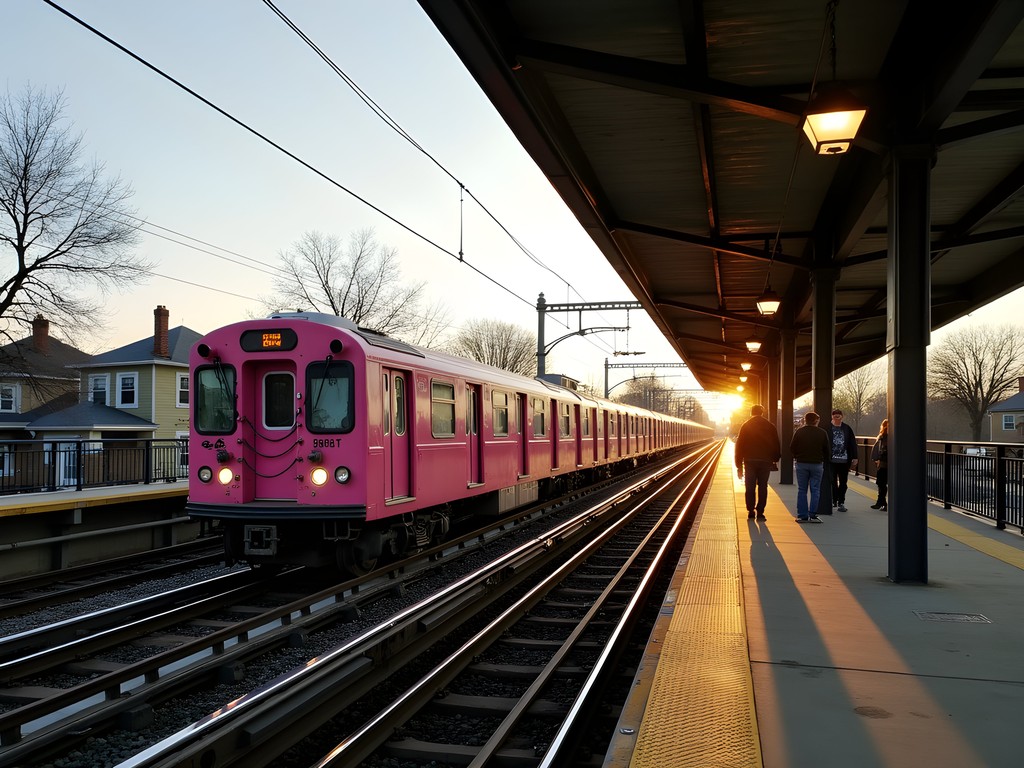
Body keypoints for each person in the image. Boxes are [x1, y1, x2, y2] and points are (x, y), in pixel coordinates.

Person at [734, 404, 781, 520]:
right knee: (763, 486)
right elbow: (776, 444)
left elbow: (739, 446)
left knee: (749, 486)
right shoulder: (770, 426)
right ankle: (760, 512)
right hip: (765, 461)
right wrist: (775, 459)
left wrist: (739, 465)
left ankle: (750, 510)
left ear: (751, 413)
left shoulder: (746, 425)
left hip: (750, 461)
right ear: (762, 413)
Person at [790, 411, 831, 523]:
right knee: (815, 490)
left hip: (802, 463)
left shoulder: (799, 432)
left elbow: (792, 447)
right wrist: (824, 460)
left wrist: (797, 456)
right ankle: (813, 514)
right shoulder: (822, 433)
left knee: (802, 489)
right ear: (816, 421)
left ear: (805, 420)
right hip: (817, 464)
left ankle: (802, 515)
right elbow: (827, 450)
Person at [827, 408, 859, 512]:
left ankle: (841, 501)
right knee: (832, 481)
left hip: (844, 460)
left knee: (843, 482)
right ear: (832, 417)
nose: (837, 418)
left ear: (842, 417)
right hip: (831, 460)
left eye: (839, 416)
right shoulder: (828, 428)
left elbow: (852, 443)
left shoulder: (847, 428)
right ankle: (834, 500)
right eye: (835, 416)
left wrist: (855, 457)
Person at [870, 418, 889, 510]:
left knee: (881, 483)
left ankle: (881, 502)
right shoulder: (882, 437)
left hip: (884, 463)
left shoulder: (882, 437)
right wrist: (876, 459)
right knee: (881, 483)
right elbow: (877, 449)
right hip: (883, 463)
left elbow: (876, 449)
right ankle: (882, 502)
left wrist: (876, 458)